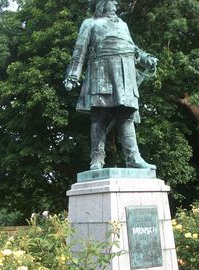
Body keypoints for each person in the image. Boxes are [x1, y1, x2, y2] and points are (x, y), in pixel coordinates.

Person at [64, 0, 158, 170]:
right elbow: (79, 50)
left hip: (125, 72)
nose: (115, 3)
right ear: (102, 3)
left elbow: (133, 48)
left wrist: (146, 59)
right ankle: (97, 158)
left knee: (126, 115)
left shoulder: (123, 24)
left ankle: (133, 157)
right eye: (111, 0)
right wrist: (72, 76)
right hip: (102, 70)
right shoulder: (90, 23)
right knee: (99, 115)